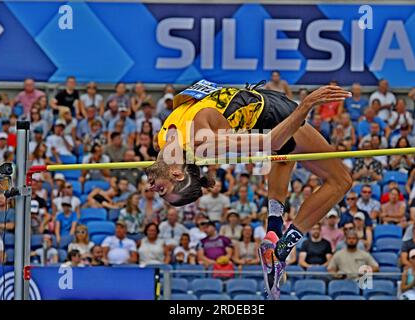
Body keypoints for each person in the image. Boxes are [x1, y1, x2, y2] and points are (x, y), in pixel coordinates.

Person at [146, 80, 352, 299]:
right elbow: (271, 141)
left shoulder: (164, 140)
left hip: (258, 105)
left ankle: (274, 230)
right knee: (341, 181)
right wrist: (306, 104)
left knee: (286, 155)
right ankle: (283, 248)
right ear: (177, 175)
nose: (151, 187)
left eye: (160, 191)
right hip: (271, 115)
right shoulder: (202, 143)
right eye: (160, 189)